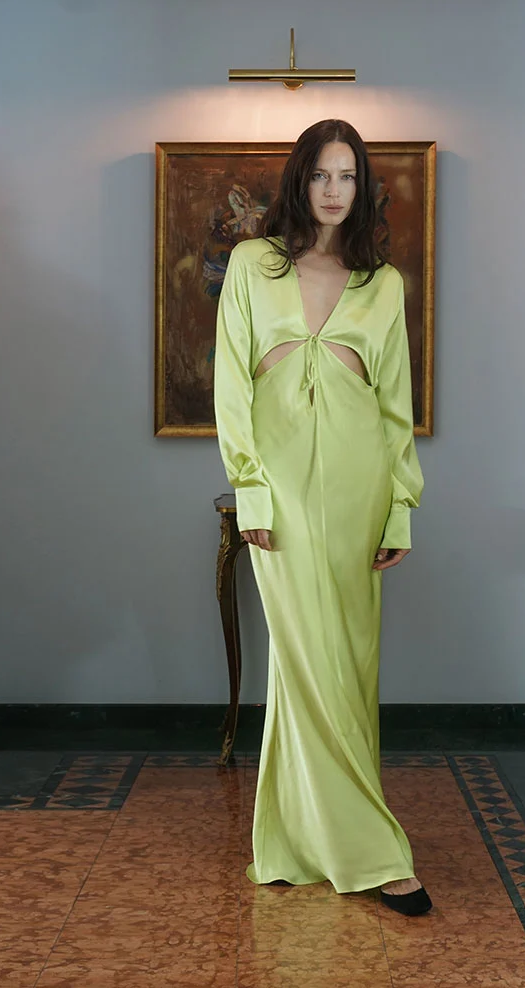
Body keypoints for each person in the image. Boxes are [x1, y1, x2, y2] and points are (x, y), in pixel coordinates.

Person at [213, 118, 430, 917]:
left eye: (347, 176)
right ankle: (374, 854)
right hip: (282, 489)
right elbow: (232, 387)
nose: (334, 190)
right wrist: (251, 492)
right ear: (298, 181)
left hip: (359, 484)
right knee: (307, 662)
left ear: (361, 187)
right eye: (320, 174)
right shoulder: (251, 265)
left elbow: (395, 406)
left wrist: (400, 507)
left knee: (350, 665)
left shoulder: (382, 285)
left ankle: (294, 842)